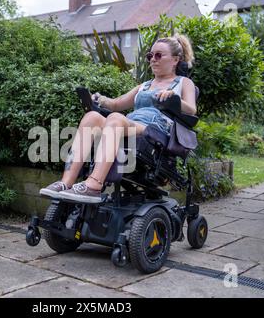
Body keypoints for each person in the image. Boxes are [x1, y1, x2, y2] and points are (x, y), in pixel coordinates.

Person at [40, 34, 197, 204]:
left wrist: (174, 98)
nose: (153, 60)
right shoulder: (144, 86)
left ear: (175, 60)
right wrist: (100, 99)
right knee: (92, 117)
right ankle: (66, 182)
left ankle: (93, 185)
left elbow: (191, 109)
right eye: (150, 56)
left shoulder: (183, 82)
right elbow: (115, 104)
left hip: (156, 130)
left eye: (159, 55)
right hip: (130, 124)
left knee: (115, 119)